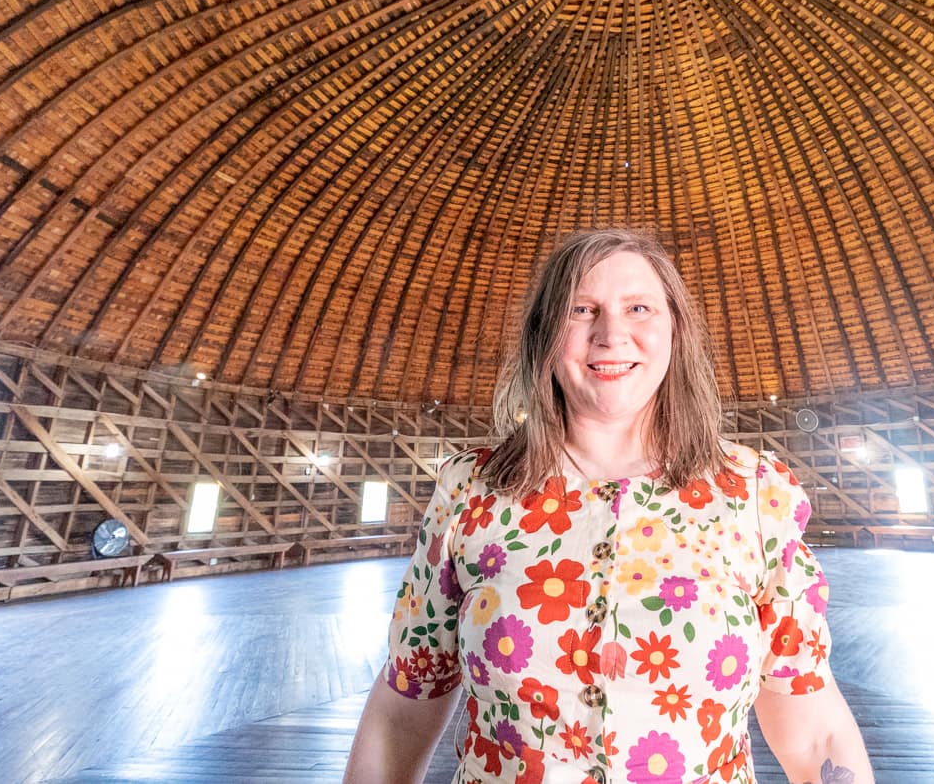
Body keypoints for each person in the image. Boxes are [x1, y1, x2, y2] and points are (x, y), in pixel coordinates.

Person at [344, 228, 873, 784]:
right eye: (581, 309)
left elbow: (814, 730)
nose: (611, 333)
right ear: (545, 335)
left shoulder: (754, 495)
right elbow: (402, 712)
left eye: (638, 307)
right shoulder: (470, 491)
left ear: (676, 330)